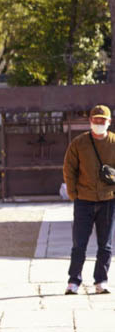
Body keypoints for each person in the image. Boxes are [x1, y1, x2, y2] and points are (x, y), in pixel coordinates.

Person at [62, 104, 115, 295]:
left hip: (108, 199)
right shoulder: (79, 143)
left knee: (106, 244)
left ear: (109, 122)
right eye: (96, 119)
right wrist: (73, 193)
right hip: (83, 199)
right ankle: (73, 280)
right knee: (79, 243)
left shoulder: (113, 142)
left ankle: (101, 280)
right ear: (90, 121)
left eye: (103, 120)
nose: (99, 123)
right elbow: (69, 169)